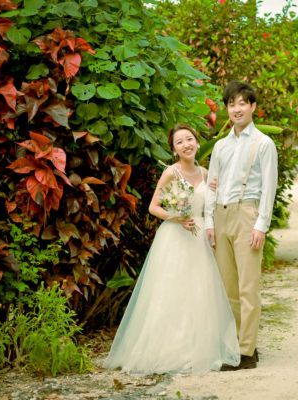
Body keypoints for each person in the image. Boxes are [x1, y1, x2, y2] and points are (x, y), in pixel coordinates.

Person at [104, 124, 240, 376]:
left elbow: (211, 206)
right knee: (171, 290)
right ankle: (168, 349)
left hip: (199, 235)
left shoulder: (206, 173)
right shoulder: (171, 173)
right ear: (174, 149)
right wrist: (176, 217)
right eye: (180, 142)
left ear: (197, 142)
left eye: (190, 139)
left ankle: (197, 348)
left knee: (200, 290)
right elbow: (153, 207)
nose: (186, 144)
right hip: (175, 235)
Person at [205, 81, 278, 370]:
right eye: (231, 104)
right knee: (228, 288)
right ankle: (236, 344)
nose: (237, 109)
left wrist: (261, 225)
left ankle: (247, 351)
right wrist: (209, 221)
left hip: (247, 213)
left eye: (242, 103)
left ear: (253, 107)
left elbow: (269, 187)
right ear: (227, 108)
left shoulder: (264, 143)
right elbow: (212, 185)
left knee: (248, 287)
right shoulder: (220, 146)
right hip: (221, 215)